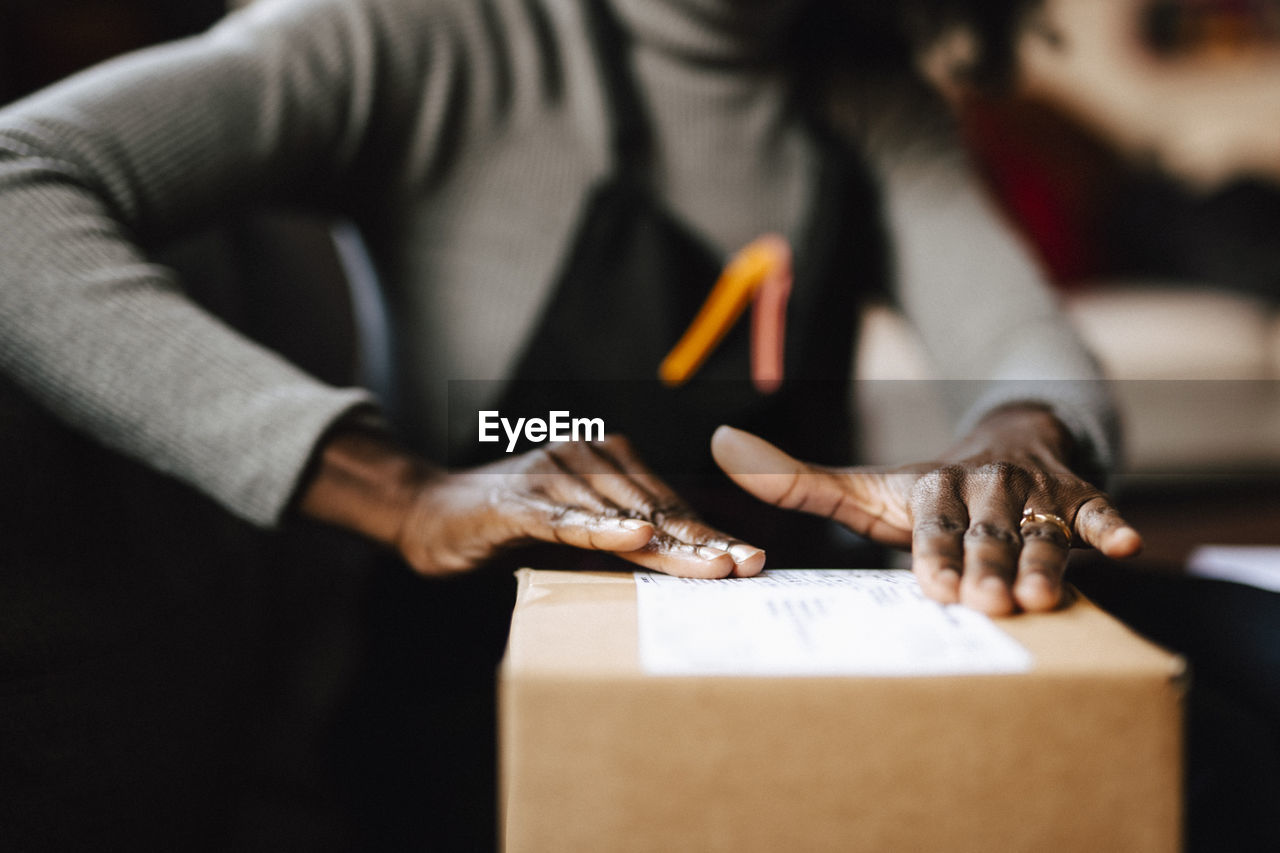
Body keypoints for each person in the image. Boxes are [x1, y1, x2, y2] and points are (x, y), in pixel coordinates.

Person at [0, 0, 1141, 847]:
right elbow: (18, 183)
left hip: (783, 670)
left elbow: (1023, 348)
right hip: (469, 699)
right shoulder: (416, 34)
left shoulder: (861, 97)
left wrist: (1019, 437)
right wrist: (396, 489)